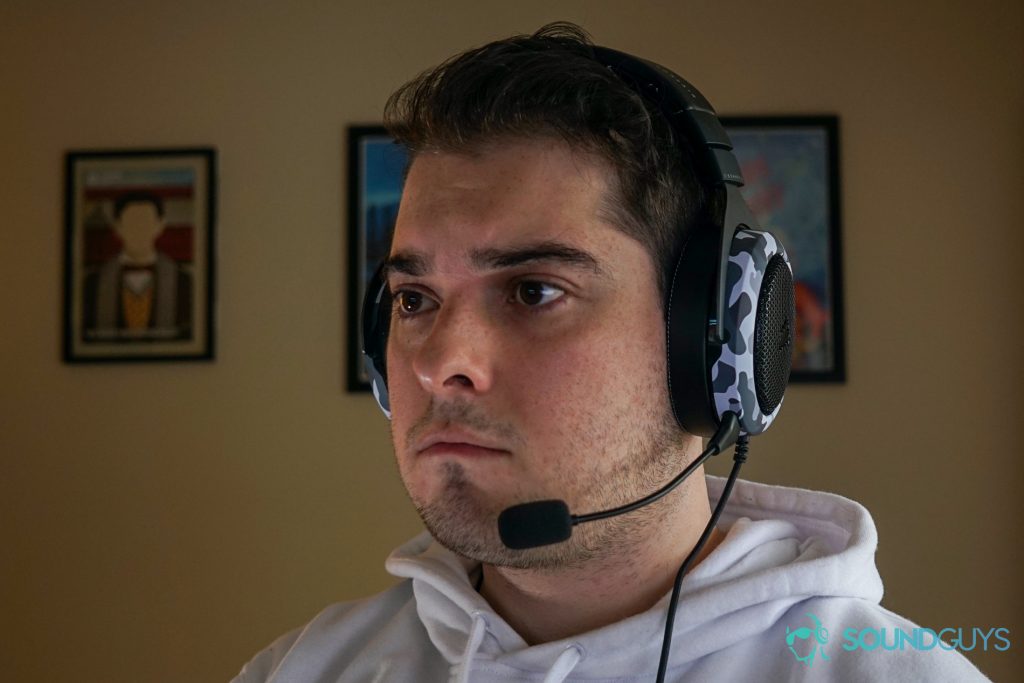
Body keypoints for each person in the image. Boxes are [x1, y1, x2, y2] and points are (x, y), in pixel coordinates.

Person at [234, 23, 990, 682]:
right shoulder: (298, 668)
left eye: (534, 291)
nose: (440, 364)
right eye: (414, 300)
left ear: (715, 338)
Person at [82, 192, 192, 341]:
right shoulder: (92, 283)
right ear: (118, 227)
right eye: (132, 222)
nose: (139, 229)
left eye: (145, 221)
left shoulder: (184, 282)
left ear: (160, 225)